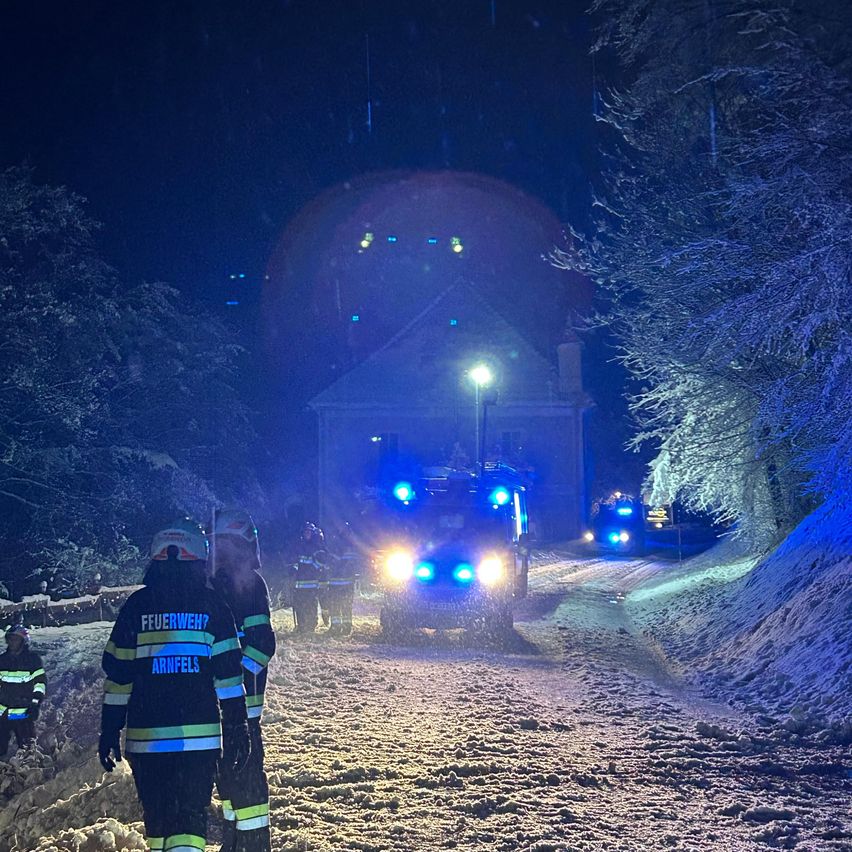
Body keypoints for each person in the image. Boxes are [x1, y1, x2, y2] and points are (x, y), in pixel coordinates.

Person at [99, 518, 250, 852]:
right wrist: (238, 728)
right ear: (199, 559)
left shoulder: (136, 607)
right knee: (190, 823)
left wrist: (109, 730)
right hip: (199, 741)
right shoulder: (213, 607)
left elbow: (118, 678)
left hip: (147, 741)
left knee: (158, 824)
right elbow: (229, 678)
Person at [210, 508, 275, 852]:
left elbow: (262, 644)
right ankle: (233, 841)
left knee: (246, 780)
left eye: (222, 543)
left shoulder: (250, 585)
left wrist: (234, 681)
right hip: (218, 708)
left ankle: (253, 845)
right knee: (227, 779)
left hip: (243, 709)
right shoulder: (213, 583)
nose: (217, 551)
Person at [0, 624, 45, 757]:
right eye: (10, 639)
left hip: (24, 713)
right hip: (3, 714)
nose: (12, 642)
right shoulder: (2, 660)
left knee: (27, 751)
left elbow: (40, 683)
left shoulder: (32, 660)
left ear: (23, 641)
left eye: (16, 639)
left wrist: (35, 704)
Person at [290, 523, 327, 634]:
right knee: (299, 605)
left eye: (309, 532)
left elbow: (321, 561)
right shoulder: (299, 545)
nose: (307, 534)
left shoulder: (317, 546)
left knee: (311, 604)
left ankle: (311, 625)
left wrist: (312, 569)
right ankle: (301, 626)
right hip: (300, 582)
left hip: (312, 582)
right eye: (305, 531)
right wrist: (293, 570)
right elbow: (295, 560)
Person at [326, 526, 362, 636]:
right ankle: (346, 627)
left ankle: (336, 627)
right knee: (345, 605)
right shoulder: (353, 547)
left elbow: (331, 561)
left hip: (336, 582)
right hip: (346, 582)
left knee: (336, 605)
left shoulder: (335, 544)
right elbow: (357, 564)